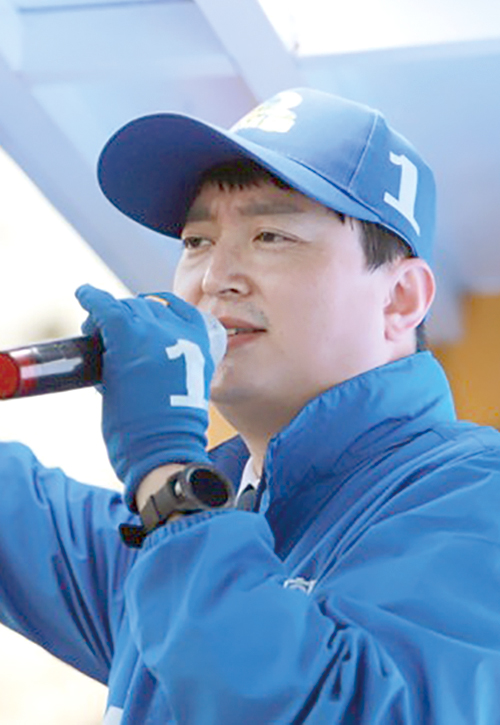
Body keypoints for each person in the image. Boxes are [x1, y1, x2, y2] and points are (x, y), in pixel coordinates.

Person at [1, 87, 499, 724]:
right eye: (196, 241)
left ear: (400, 299)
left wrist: (168, 475)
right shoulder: (173, 547)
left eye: (270, 235)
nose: (214, 278)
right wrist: (177, 501)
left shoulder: (476, 493)